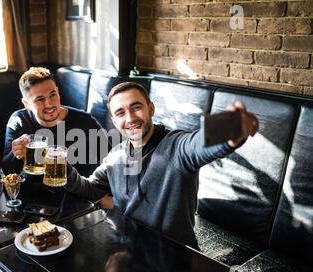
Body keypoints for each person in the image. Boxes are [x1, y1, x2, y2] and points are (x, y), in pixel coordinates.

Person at [65, 82, 259, 248]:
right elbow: (89, 189)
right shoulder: (116, 156)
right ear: (115, 121)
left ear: (151, 108)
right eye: (121, 113)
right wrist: (61, 167)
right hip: (130, 249)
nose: (130, 118)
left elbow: (196, 144)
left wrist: (227, 130)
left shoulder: (175, 146)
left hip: (174, 257)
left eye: (136, 107)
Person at [2, 67, 109, 178]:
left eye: (52, 95)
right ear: (26, 104)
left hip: (80, 192)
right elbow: (7, 171)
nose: (49, 104)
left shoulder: (85, 121)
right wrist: (16, 154)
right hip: (37, 191)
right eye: (40, 99)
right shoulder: (19, 121)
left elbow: (111, 162)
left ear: (57, 92)